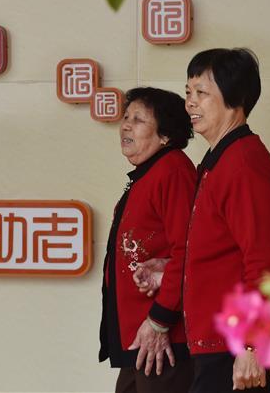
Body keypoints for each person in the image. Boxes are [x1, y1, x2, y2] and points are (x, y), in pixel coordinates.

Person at [135, 48, 270, 392]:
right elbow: (221, 250)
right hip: (212, 346)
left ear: (235, 99)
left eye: (201, 92)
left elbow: (262, 264)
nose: (190, 103)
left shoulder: (244, 165)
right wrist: (169, 268)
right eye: (188, 92)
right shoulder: (220, 159)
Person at [99, 87, 197, 393]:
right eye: (126, 117)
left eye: (138, 120)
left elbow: (188, 252)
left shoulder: (173, 170)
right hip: (140, 335)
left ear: (165, 135)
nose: (126, 126)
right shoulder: (149, 173)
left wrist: (160, 319)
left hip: (163, 335)